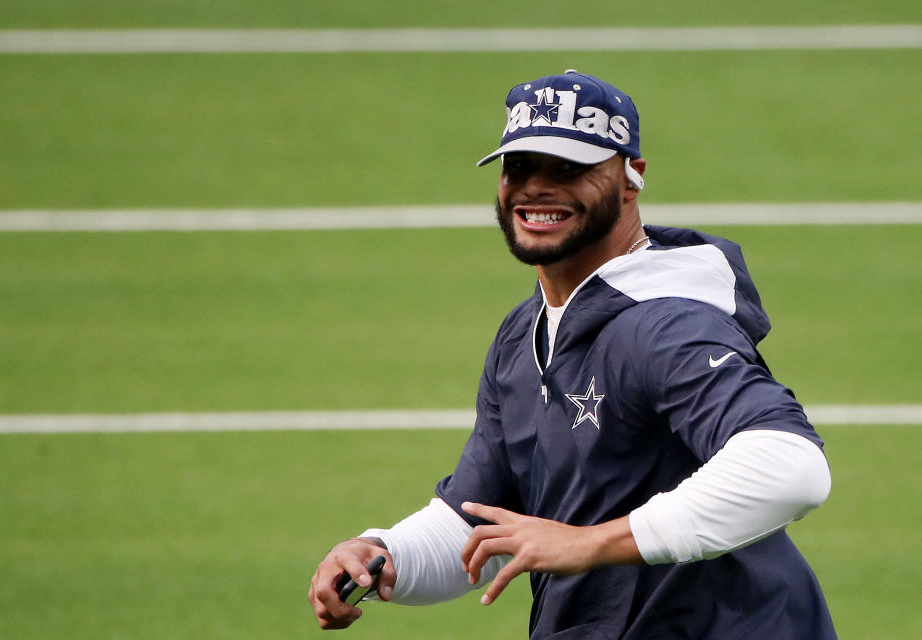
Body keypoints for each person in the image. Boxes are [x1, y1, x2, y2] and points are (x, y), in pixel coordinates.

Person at [308, 69, 837, 639]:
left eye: (569, 168)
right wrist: (381, 552)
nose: (537, 187)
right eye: (522, 166)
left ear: (631, 178)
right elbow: (479, 527)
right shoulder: (525, 333)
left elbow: (792, 467)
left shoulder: (663, 324)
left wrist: (587, 543)